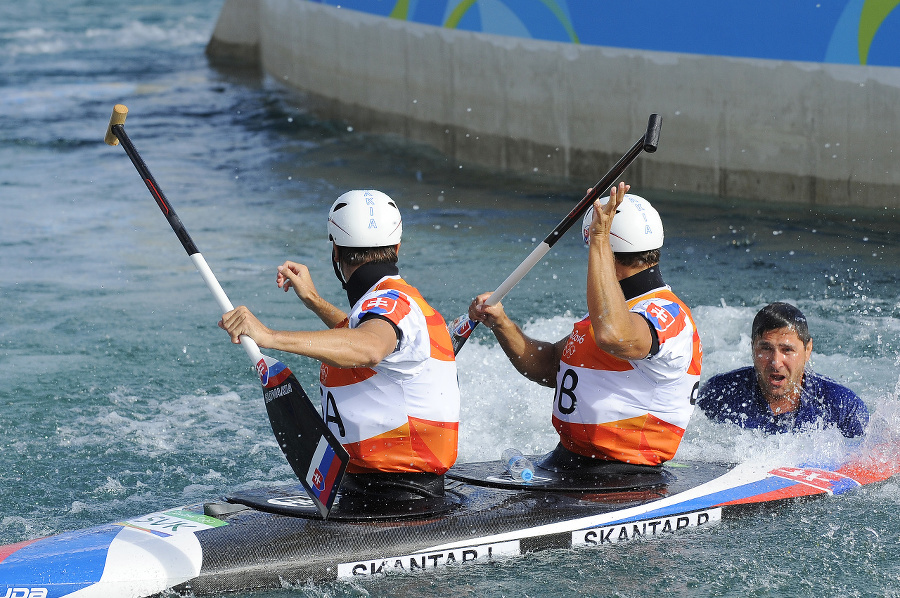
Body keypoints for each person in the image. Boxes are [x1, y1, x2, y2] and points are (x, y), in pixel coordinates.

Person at [219, 190, 460, 499]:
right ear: (397, 247)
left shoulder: (395, 304)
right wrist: (314, 301)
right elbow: (363, 335)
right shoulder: (392, 300)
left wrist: (268, 336)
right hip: (364, 487)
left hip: (401, 497)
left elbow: (370, 347)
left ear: (335, 251)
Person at [468, 182, 703, 471]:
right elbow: (548, 366)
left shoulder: (667, 314)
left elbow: (613, 335)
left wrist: (599, 238)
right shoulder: (617, 312)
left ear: (607, 254)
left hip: (625, 474)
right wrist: (502, 324)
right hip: (568, 461)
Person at [696, 302, 868, 438]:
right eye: (766, 348)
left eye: (787, 350)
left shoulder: (843, 407)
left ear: (808, 350)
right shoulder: (719, 394)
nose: (776, 362)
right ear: (752, 348)